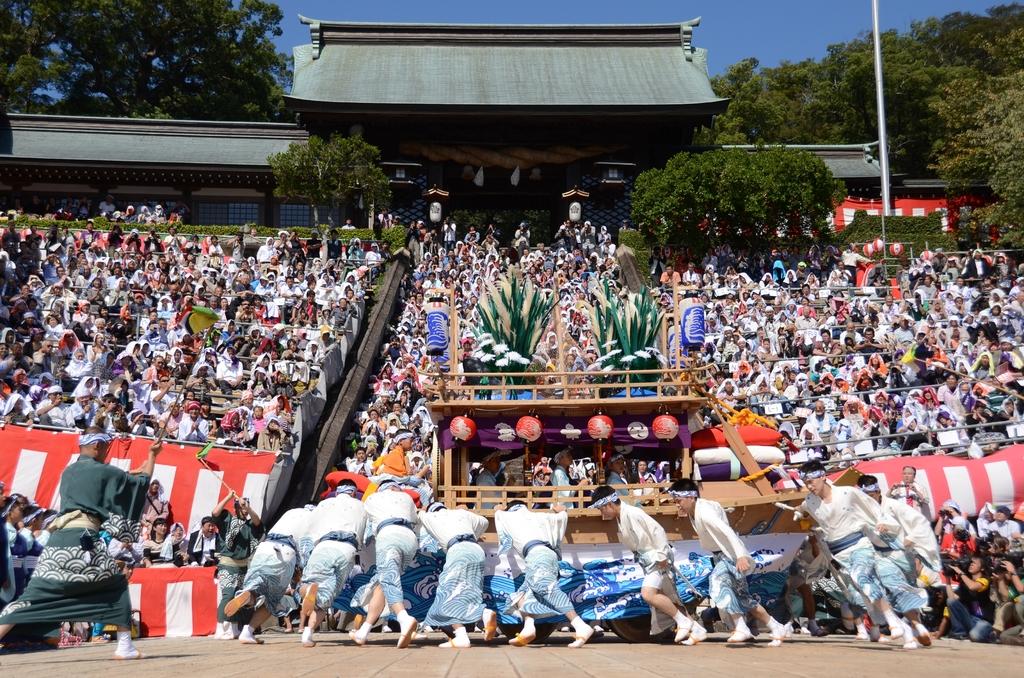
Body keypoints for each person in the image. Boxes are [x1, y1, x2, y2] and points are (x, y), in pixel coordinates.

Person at [0, 427, 160, 660]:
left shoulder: (69, 471)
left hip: (57, 543)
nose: (106, 453)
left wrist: (131, 471)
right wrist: (153, 455)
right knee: (116, 585)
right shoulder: (104, 471)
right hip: (83, 541)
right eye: (105, 448)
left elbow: (109, 481)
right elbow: (140, 482)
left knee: (30, 597)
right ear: (97, 446)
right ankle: (125, 646)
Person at [797, 460, 923, 648]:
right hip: (839, 552)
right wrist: (799, 514)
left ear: (823, 476)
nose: (809, 486)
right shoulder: (810, 501)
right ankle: (902, 629)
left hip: (859, 544)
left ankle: (894, 621)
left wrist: (882, 522)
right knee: (862, 591)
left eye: (812, 481)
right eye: (806, 483)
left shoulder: (847, 492)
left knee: (861, 578)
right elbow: (802, 508)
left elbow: (872, 506)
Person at [666, 479, 790, 646]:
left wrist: (740, 556)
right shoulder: (695, 510)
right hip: (721, 555)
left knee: (717, 583)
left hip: (730, 555)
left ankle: (741, 627)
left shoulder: (705, 511)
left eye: (679, 501)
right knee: (744, 599)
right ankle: (776, 627)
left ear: (691, 497)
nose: (677, 505)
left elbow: (728, 532)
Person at [590, 485, 706, 644]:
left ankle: (683, 621)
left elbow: (657, 530)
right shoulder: (622, 516)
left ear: (609, 505)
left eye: (601, 509)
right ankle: (697, 629)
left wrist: (662, 554)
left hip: (657, 559)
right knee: (667, 597)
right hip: (650, 560)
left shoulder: (632, 513)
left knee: (648, 594)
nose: (601, 513)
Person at [494, 500, 594, 648]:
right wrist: (561, 510)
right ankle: (529, 627)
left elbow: (498, 512)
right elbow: (561, 516)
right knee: (522, 594)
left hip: (537, 556)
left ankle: (580, 625)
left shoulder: (509, 517)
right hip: (547, 555)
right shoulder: (541, 517)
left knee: (549, 590)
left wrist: (498, 508)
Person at [856, 475, 933, 645]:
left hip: (902, 554)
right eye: (865, 496)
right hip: (879, 556)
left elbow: (917, 526)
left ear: (878, 491)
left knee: (905, 592)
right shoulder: (861, 511)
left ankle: (915, 626)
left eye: (872, 494)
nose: (869, 499)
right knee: (895, 591)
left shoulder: (894, 506)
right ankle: (913, 629)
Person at [224, 505, 314, 645]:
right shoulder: (313, 520)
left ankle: (248, 600)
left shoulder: (290, 512)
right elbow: (305, 551)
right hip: (284, 553)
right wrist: (300, 572)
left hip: (264, 548)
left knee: (254, 586)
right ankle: (248, 629)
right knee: (273, 601)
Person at [349, 479, 420, 648]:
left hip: (389, 535)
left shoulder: (373, 499)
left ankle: (404, 618)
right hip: (410, 539)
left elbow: (363, 525)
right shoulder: (407, 498)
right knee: (384, 583)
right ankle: (364, 631)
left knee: (388, 579)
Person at [297, 483, 366, 648]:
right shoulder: (360, 505)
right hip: (347, 550)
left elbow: (309, 530)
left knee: (307, 585)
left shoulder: (324, 504)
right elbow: (363, 535)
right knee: (325, 600)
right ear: (354, 492)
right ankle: (308, 634)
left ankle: (308, 591)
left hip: (324, 546)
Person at [418, 501, 496, 648]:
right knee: (470, 591)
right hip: (475, 548)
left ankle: (471, 626)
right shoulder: (462, 513)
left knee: (446, 594)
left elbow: (418, 515)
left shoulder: (430, 517)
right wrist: (474, 532)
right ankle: (469, 627)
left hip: (458, 550)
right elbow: (484, 522)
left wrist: (422, 511)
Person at [211, 492, 263, 641]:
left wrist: (249, 508)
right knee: (227, 595)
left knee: (238, 597)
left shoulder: (250, 525)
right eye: (241, 507)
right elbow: (215, 512)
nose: (244, 510)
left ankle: (234, 627)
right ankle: (220, 627)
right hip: (228, 563)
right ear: (235, 508)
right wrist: (229, 496)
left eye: (246, 507)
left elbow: (258, 522)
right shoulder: (227, 519)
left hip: (243, 565)